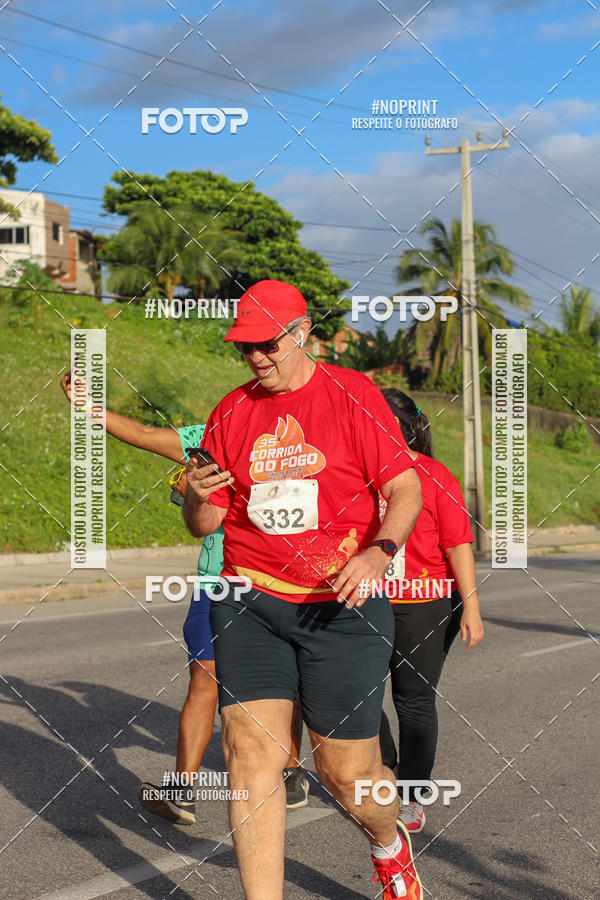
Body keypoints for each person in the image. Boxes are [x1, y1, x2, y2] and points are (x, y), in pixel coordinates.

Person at [182, 279, 425, 900]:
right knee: (248, 755)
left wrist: (380, 549)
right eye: (245, 349)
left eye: (267, 345)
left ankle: (388, 844)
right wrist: (197, 497)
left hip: (340, 606)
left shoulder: (352, 394)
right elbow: (206, 523)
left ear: (301, 334)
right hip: (250, 599)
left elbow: (405, 489)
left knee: (346, 775)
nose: (256, 358)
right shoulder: (231, 411)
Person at [59, 373, 309, 821]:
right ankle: (272, 779)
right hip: (241, 581)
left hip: (250, 580)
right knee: (252, 683)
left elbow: (143, 434)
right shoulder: (211, 437)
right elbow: (141, 434)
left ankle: (215, 786)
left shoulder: (286, 443)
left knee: (225, 684)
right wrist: (87, 405)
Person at [377, 389, 484, 834]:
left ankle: (412, 796)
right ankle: (385, 774)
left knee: (414, 701)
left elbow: (457, 544)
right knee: (354, 697)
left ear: (399, 429)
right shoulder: (359, 472)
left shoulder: (436, 476)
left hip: (424, 604)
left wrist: (471, 608)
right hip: (363, 600)